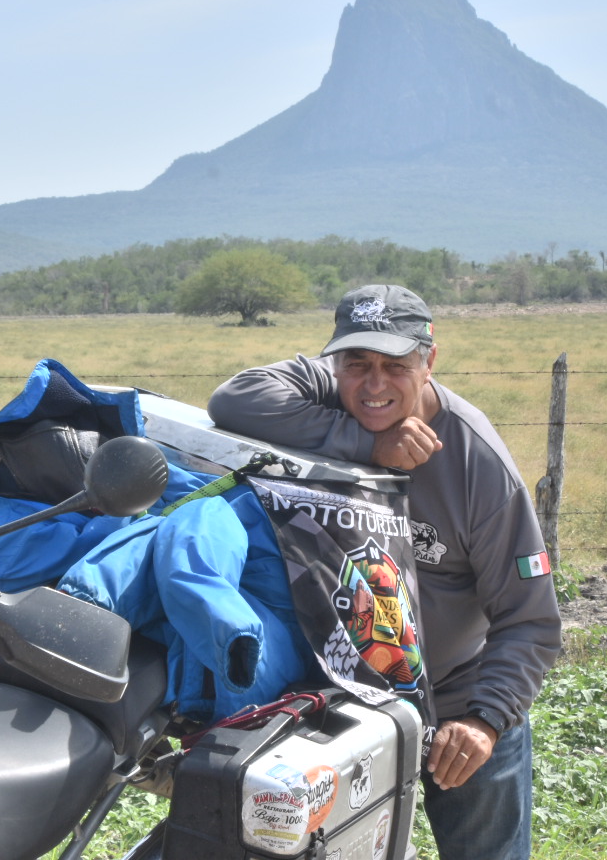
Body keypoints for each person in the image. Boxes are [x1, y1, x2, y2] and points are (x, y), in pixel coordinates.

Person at [207, 284, 561, 860]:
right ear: (334, 362)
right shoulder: (329, 390)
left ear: (429, 362)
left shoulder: (479, 467)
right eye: (357, 364)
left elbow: (531, 622)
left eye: (396, 366)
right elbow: (234, 398)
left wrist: (485, 722)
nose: (373, 385)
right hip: (337, 699)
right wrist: (364, 444)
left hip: (456, 696)